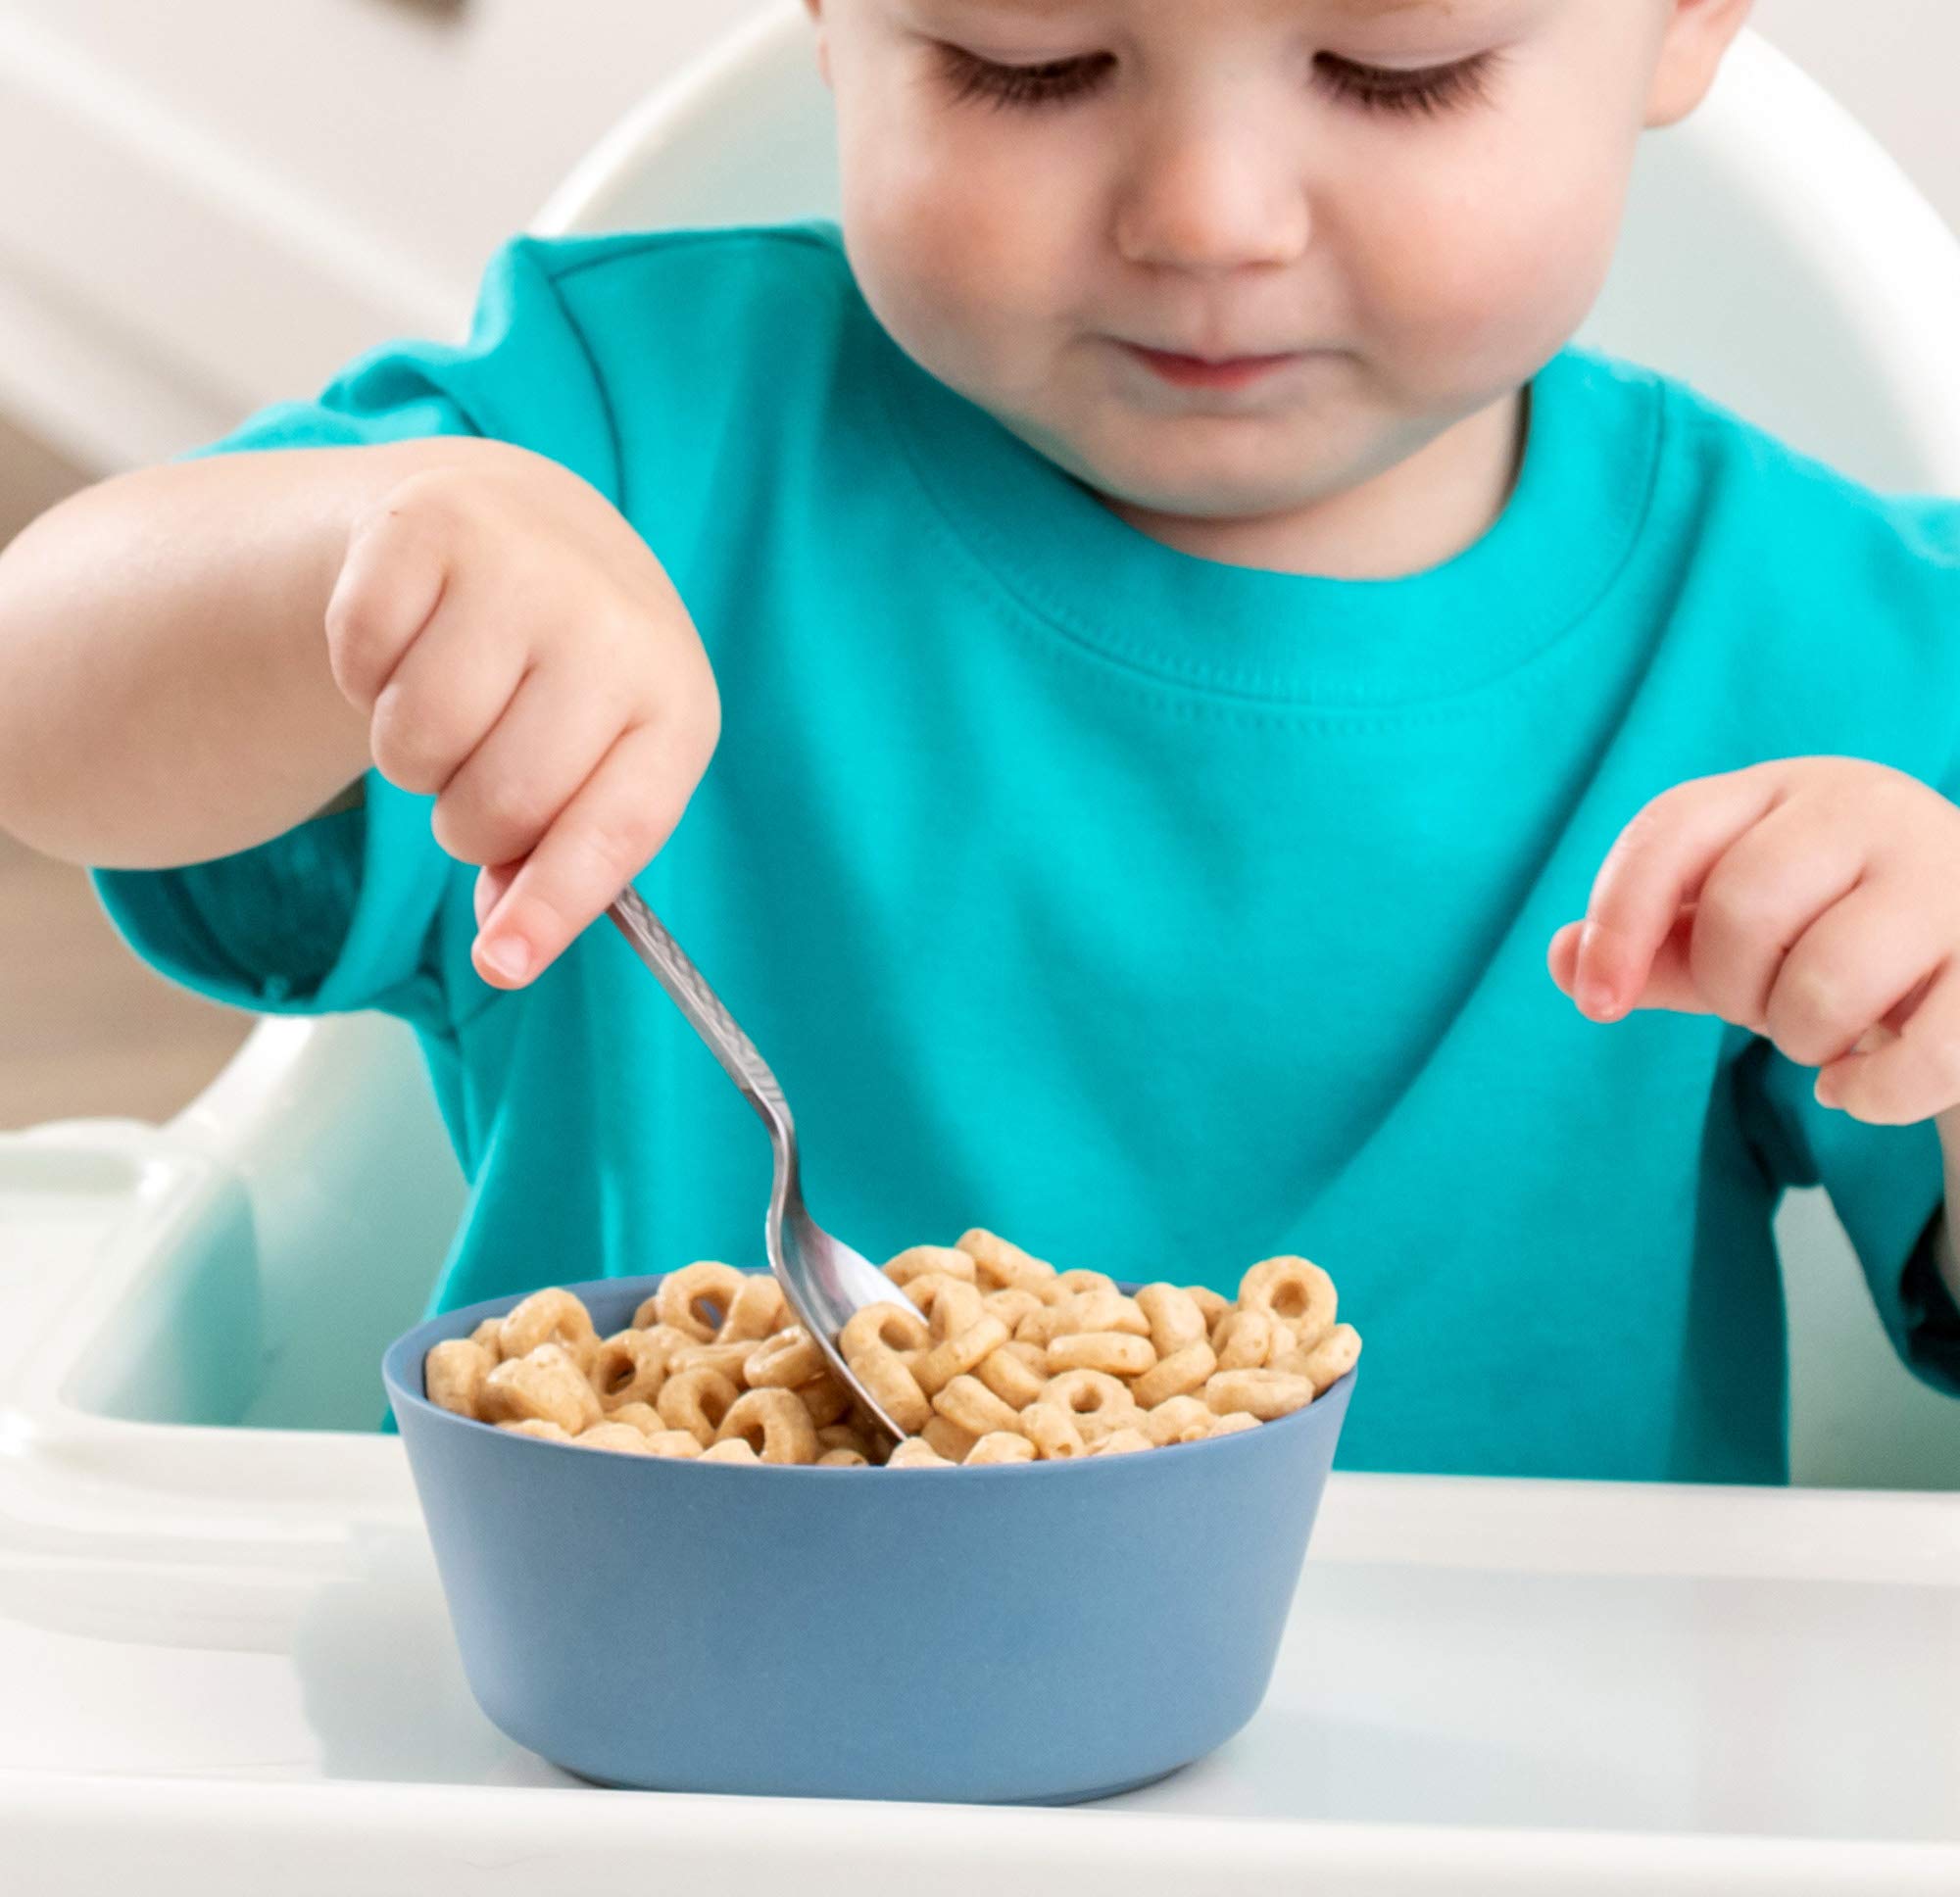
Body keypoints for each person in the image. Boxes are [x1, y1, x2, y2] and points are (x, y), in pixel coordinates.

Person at [1, 0, 1955, 1481]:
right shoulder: (625, 448)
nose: (1207, 214)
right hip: (662, 1761)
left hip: (1511, 1816)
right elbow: (35, 695)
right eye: (1029, 63)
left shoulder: (1831, 647)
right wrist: (360, 566)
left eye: (1392, 70)